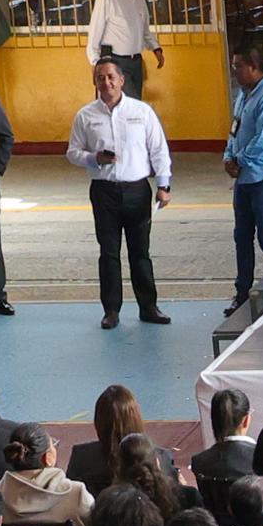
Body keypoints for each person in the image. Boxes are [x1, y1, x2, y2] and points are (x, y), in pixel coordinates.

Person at [69, 55, 171, 330]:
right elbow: (72, 152)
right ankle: (111, 311)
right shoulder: (85, 116)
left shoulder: (142, 112)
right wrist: (93, 158)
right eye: (100, 78)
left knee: (140, 252)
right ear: (95, 82)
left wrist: (163, 185)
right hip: (104, 192)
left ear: (122, 80)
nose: (107, 82)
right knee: (109, 253)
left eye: (111, 77)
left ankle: (148, 307)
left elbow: (158, 149)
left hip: (137, 190)